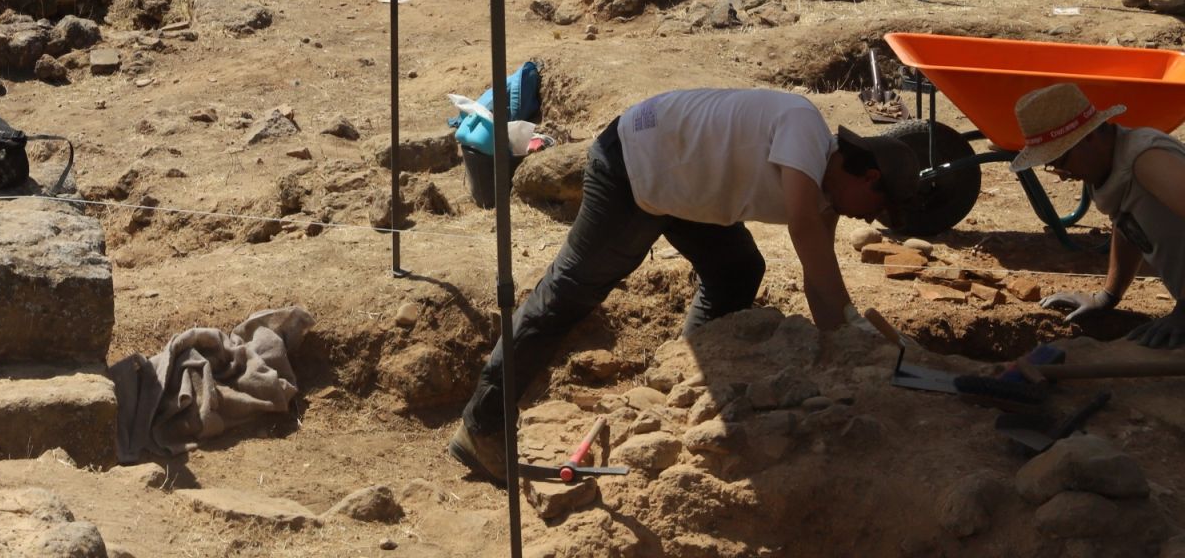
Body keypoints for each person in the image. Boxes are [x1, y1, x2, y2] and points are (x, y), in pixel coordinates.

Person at [448, 88, 921, 484]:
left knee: (737, 271)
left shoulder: (828, 194)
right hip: (634, 164)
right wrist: (852, 324)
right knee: (569, 293)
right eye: (872, 209)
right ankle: (482, 426)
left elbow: (819, 277)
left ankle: (681, 387)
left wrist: (844, 351)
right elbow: (802, 229)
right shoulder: (805, 131)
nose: (866, 218)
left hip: (683, 187)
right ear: (869, 176)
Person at [1021, 82, 1185, 349]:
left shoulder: (1146, 160)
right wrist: (1108, 296)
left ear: (1088, 137)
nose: (1062, 176)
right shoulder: (1110, 168)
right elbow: (1128, 225)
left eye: (1061, 161)